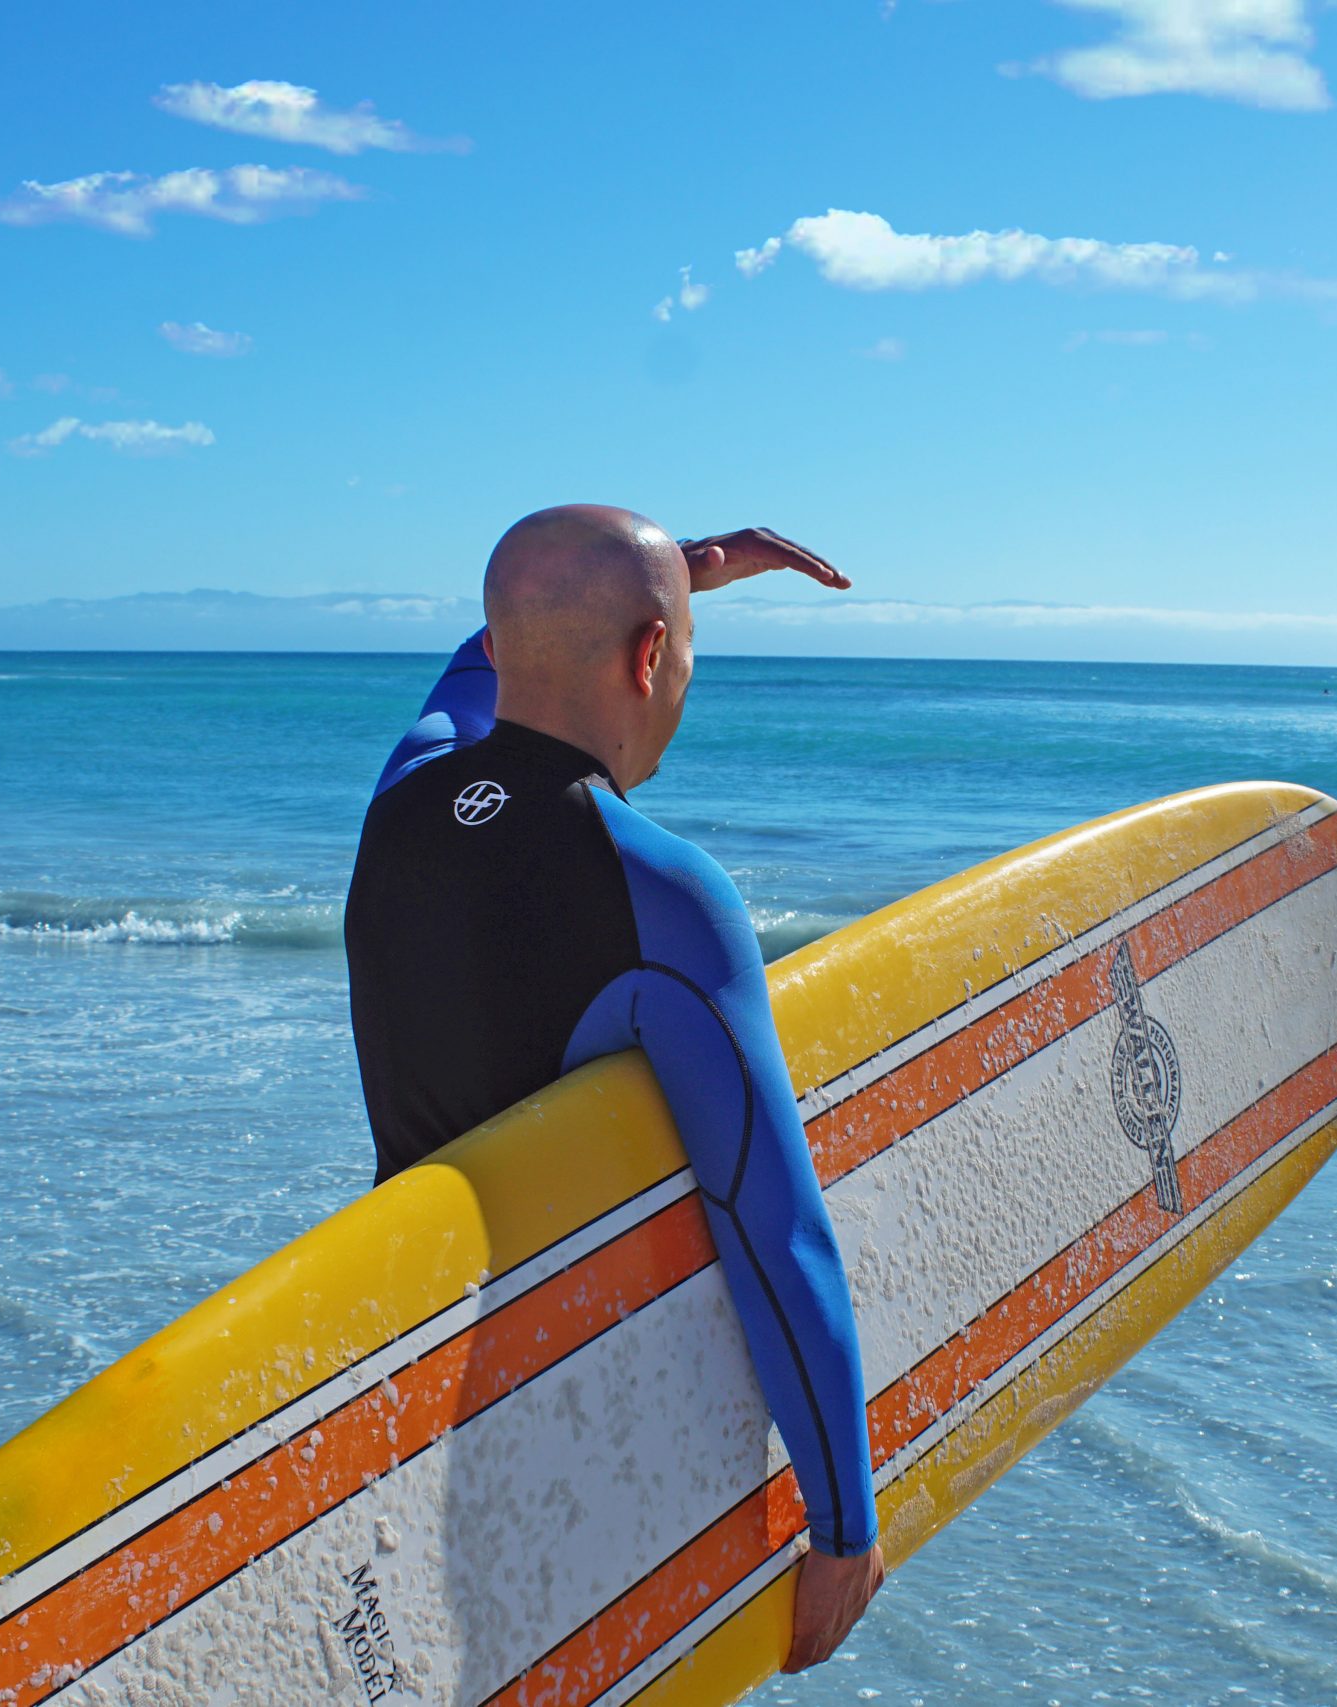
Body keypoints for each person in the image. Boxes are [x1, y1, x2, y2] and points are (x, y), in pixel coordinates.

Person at [343, 504, 883, 1672]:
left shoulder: (402, 796)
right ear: (651, 657)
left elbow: (479, 658)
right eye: (683, 646)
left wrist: (674, 576)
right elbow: (773, 1230)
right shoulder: (665, 894)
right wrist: (844, 1528)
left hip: (413, 1362)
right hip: (576, 1415)